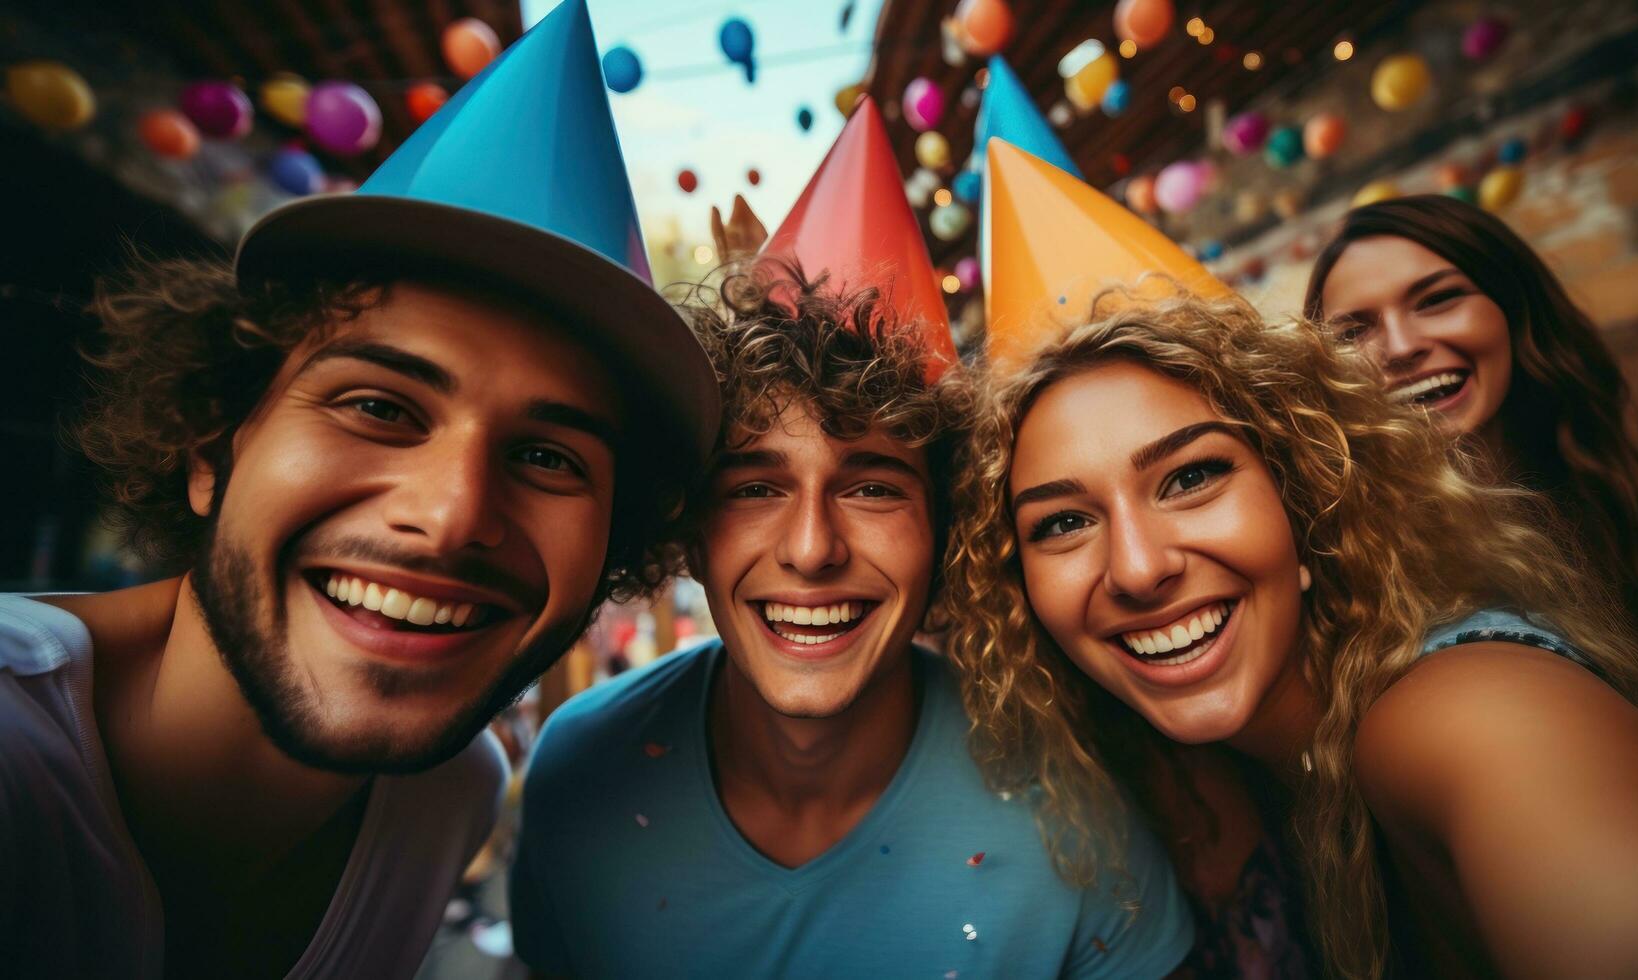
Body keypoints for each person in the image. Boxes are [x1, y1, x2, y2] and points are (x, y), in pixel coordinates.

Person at [0, 3, 717, 976]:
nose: (452, 514)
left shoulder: (451, 791)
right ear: (214, 444)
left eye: (551, 457)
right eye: (379, 406)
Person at [943, 144, 1638, 979]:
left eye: (1191, 477)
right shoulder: (1191, 782)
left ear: (1304, 503)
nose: (1138, 567)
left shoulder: (1459, 712)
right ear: (1018, 589)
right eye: (1064, 522)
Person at [511, 103, 1194, 979]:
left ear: (946, 529)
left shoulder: (1077, 796)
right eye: (754, 487)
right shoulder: (578, 766)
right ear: (689, 530)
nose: (809, 548)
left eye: (872, 485)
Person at [1304, 195, 1638, 739]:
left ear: (1516, 312)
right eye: (1353, 332)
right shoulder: (1345, 579)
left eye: (1438, 299)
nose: (1399, 347)